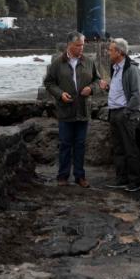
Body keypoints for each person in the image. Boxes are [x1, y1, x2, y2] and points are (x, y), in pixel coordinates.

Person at [42, 31, 101, 187]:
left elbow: (97, 80)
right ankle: (62, 176)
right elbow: (48, 83)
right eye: (78, 45)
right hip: (65, 110)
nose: (82, 48)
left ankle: (80, 176)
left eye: (83, 45)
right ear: (69, 45)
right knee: (65, 144)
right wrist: (60, 94)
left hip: (83, 109)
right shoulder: (57, 63)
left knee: (80, 144)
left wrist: (91, 88)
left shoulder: (89, 62)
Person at [100, 37, 140, 192]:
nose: (108, 52)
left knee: (130, 149)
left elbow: (137, 95)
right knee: (118, 149)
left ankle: (135, 182)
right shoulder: (115, 68)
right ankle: (121, 179)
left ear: (119, 52)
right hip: (114, 112)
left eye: (111, 50)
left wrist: (127, 112)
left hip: (124, 114)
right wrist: (107, 88)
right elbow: (119, 90)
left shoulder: (132, 69)